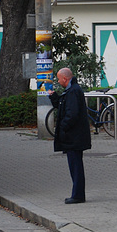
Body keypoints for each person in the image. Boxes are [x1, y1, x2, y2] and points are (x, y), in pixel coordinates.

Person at [49, 67, 91, 204]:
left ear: (65, 79)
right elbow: (64, 108)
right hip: (74, 136)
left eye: (59, 79)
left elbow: (71, 114)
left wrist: (63, 127)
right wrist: (54, 97)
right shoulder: (72, 90)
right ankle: (77, 193)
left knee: (76, 165)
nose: (58, 81)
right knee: (75, 164)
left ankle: (78, 195)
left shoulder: (73, 91)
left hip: (74, 136)